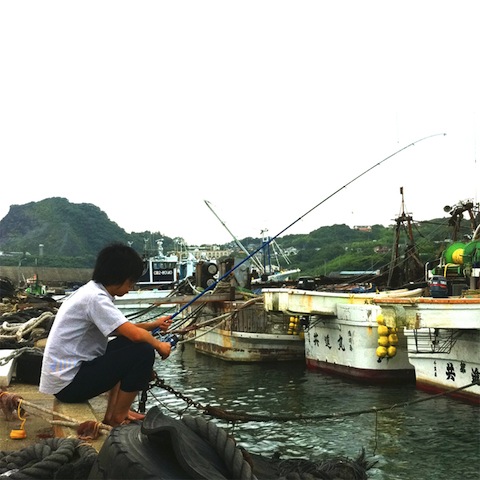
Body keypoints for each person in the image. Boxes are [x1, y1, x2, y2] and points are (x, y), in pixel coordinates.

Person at [39, 243, 173, 426]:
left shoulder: (92, 291)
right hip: (68, 385)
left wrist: (154, 325)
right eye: (131, 282)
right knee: (143, 351)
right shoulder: (96, 298)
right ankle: (120, 415)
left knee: (126, 345)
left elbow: (122, 329)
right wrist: (160, 345)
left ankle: (113, 414)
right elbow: (135, 335)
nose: (131, 288)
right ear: (119, 277)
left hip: (66, 379)